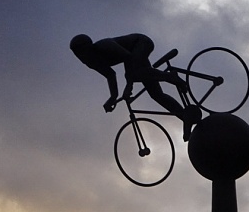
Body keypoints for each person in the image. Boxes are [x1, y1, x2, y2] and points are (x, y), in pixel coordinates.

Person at [70, 33, 200, 141]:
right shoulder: (91, 62)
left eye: (81, 52)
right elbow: (110, 75)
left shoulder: (104, 45)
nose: (80, 56)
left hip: (141, 42)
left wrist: (129, 85)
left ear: (88, 47)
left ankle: (170, 77)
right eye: (77, 54)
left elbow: (128, 58)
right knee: (156, 94)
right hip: (135, 53)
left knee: (135, 74)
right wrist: (113, 97)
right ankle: (185, 117)